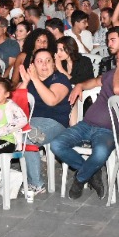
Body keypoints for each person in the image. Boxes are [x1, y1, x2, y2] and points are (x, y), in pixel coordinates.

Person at [52, 46, 119, 201]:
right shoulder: (111, 74)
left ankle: (80, 178)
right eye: (118, 60)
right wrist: (80, 85)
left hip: (108, 131)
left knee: (101, 153)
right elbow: (96, 81)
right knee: (56, 145)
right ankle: (92, 171)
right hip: (86, 124)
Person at [18, 44, 71, 196]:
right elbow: (14, 104)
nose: (44, 64)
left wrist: (35, 79)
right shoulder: (30, 80)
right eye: (40, 61)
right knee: (10, 132)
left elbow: (51, 100)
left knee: (26, 138)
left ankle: (36, 184)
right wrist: (25, 82)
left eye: (48, 61)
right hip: (31, 121)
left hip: (54, 122)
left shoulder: (60, 79)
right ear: (33, 65)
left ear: (54, 64)